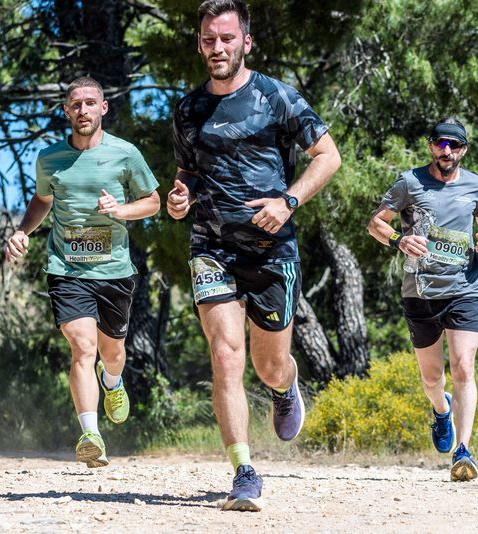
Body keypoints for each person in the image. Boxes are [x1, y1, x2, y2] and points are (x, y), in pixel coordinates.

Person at [167, 0, 341, 512]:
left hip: (271, 249)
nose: (217, 48)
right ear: (199, 44)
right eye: (208, 39)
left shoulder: (276, 96)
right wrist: (179, 197)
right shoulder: (188, 109)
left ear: (245, 41)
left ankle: (285, 387)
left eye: (226, 38)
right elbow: (186, 175)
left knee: (269, 366)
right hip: (211, 246)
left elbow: (328, 156)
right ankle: (243, 470)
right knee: (225, 355)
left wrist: (289, 201)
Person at [5, 76, 160, 468]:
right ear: (66, 111)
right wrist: (22, 232)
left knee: (113, 353)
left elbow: (153, 201)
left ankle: (113, 381)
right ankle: (91, 434)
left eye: (91, 102)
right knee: (83, 347)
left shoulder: (125, 154)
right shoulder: (50, 158)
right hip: (67, 268)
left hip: (114, 270)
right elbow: (42, 200)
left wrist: (121, 211)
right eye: (76, 104)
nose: (83, 110)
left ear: (103, 107)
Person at [367, 117, 478, 482]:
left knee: (464, 367)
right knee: (432, 377)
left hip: (465, 288)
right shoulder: (410, 182)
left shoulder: (475, 184)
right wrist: (399, 240)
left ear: (463, 150)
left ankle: (463, 450)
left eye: (454, 145)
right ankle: (441, 410)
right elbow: (376, 223)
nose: (446, 150)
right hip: (420, 291)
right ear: (431, 147)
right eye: (441, 143)